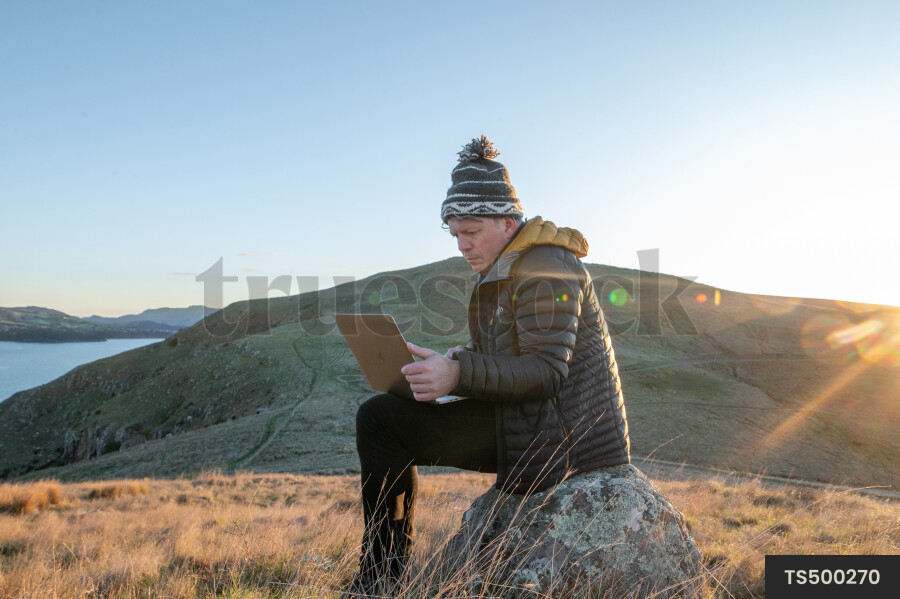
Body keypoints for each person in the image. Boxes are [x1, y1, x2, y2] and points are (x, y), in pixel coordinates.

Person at [345, 135, 630, 598]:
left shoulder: (546, 267)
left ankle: (381, 577)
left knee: (380, 421)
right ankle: (383, 574)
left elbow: (546, 371)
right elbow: (511, 362)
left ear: (507, 220)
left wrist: (459, 375)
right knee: (383, 415)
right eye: (454, 233)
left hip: (564, 441)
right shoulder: (505, 270)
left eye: (471, 231)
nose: (461, 244)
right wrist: (455, 364)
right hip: (528, 423)